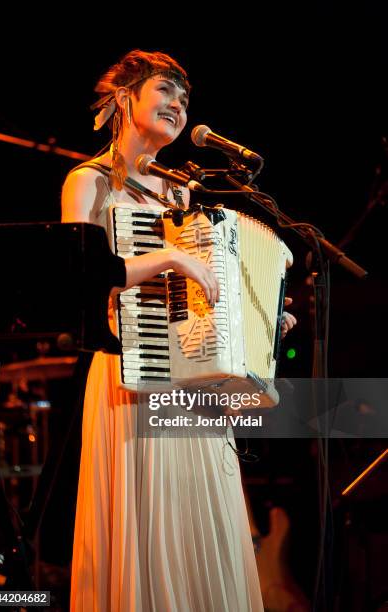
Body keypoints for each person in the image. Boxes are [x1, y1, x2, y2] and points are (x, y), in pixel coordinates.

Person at [62, 49, 296, 612]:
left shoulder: (178, 193)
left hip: (188, 383)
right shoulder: (87, 181)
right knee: (147, 524)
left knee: (206, 520)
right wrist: (166, 259)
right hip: (128, 373)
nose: (178, 105)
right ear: (125, 98)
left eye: (185, 100)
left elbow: (195, 306)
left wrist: (256, 319)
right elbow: (80, 283)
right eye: (165, 91)